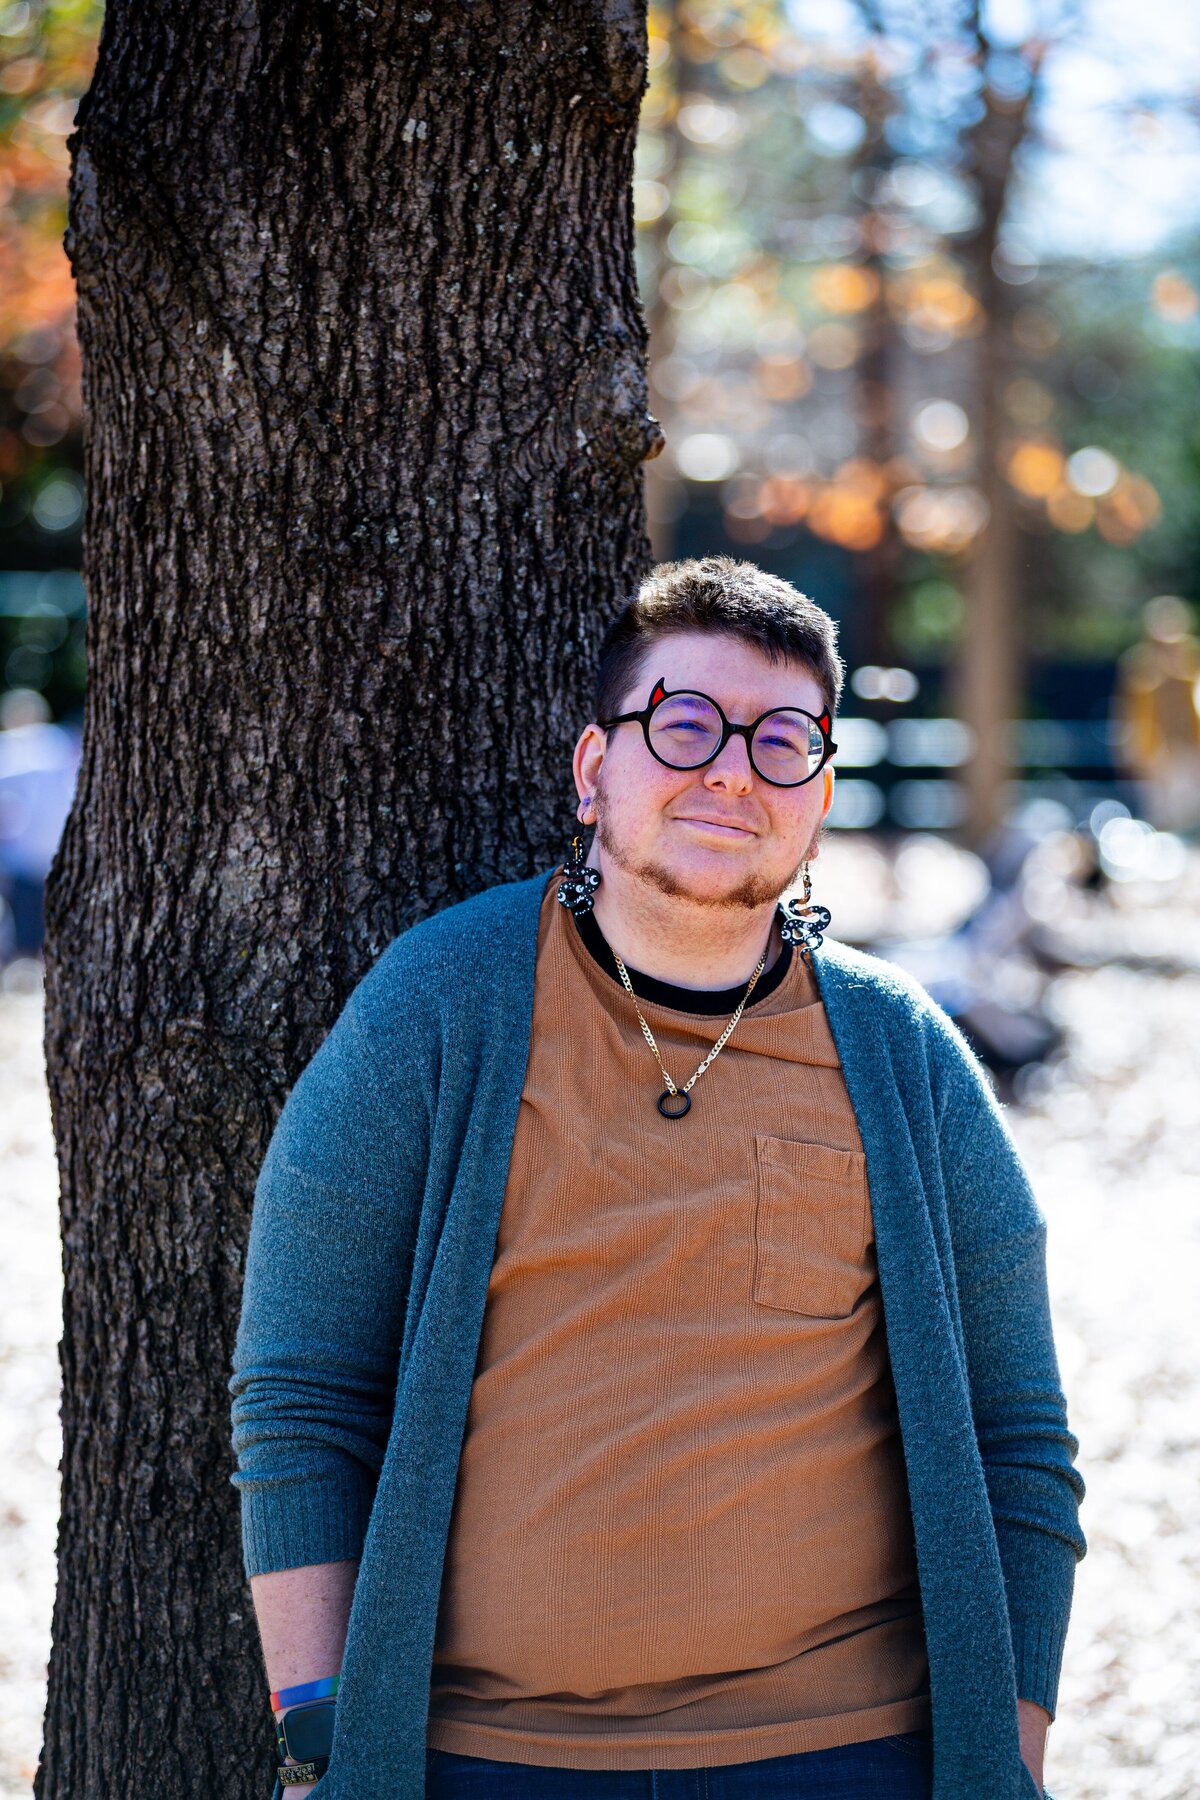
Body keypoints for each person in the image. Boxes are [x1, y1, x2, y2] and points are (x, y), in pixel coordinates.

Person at [229, 556, 1085, 1800]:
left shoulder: (903, 1059)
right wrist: (323, 1749)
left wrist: (1002, 1761)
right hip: (486, 1760)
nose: (733, 768)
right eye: (685, 722)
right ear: (593, 769)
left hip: (845, 1755)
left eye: (784, 739)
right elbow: (303, 1397)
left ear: (823, 793)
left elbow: (1017, 1440)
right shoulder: (439, 1006)